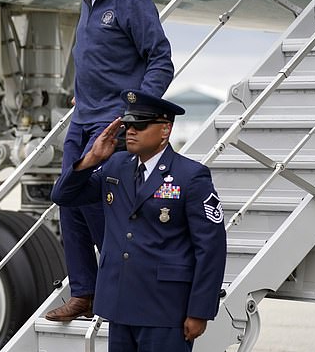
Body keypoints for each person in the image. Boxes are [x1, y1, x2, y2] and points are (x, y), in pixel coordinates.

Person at [45, 0, 175, 321]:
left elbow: (160, 60)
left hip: (112, 122)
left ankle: (124, 286)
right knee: (69, 198)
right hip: (83, 116)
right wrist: (79, 90)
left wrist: (136, 110)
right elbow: (98, 57)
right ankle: (84, 292)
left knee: (106, 208)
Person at [51, 90, 227, 352]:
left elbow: (211, 248)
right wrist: (92, 159)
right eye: (128, 124)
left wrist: (200, 311)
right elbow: (63, 195)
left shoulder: (190, 176)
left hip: (165, 310)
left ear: (165, 130)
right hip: (121, 307)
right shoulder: (115, 166)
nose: (130, 131)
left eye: (140, 125)